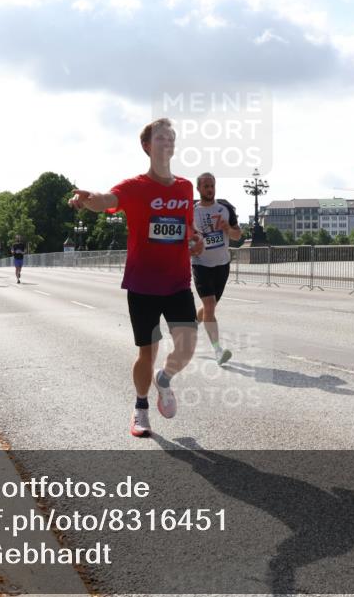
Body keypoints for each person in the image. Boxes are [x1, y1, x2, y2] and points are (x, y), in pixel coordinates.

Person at [69, 118, 204, 438]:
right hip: (142, 284)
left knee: (186, 348)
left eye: (172, 137)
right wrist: (88, 198)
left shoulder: (185, 187)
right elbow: (105, 201)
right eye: (161, 137)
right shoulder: (134, 187)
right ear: (147, 146)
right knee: (148, 351)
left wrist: (195, 240)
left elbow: (188, 228)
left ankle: (164, 380)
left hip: (177, 282)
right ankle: (141, 408)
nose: (167, 141)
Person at [192, 172, 241, 365]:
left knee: (208, 309)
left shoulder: (225, 208)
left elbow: (237, 235)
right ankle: (217, 350)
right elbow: (185, 236)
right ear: (198, 189)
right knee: (210, 306)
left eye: (212, 185)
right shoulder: (191, 211)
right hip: (201, 264)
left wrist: (227, 229)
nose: (210, 189)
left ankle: (189, 328)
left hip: (222, 265)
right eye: (206, 186)